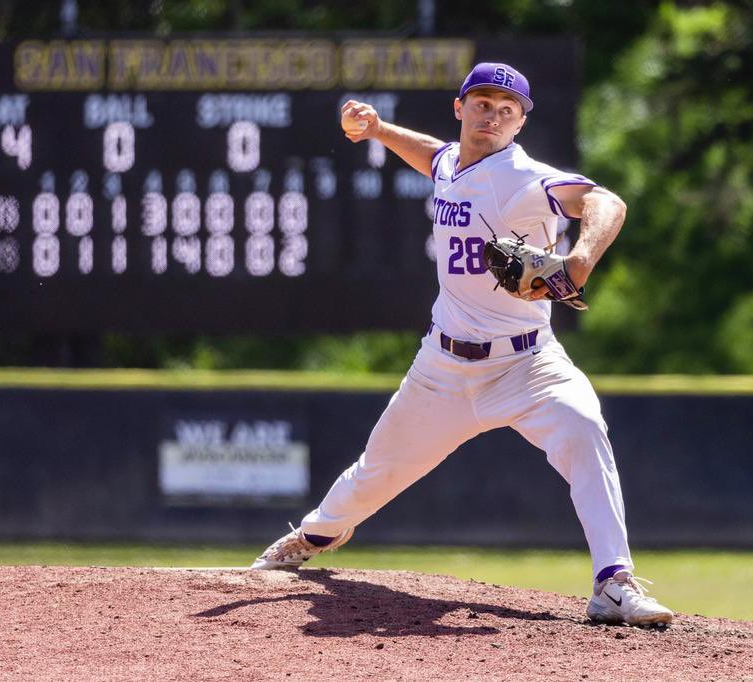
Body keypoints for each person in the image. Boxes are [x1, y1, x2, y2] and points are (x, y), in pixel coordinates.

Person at [250, 62, 674, 626]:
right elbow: (434, 157)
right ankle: (313, 535)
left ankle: (613, 583)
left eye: (507, 109)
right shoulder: (453, 161)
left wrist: (580, 259)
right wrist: (378, 129)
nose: (492, 116)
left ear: (520, 122)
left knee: (584, 429)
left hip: (529, 363)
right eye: (482, 103)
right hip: (443, 368)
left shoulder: (526, 178)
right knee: (374, 473)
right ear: (460, 108)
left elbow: (607, 203)